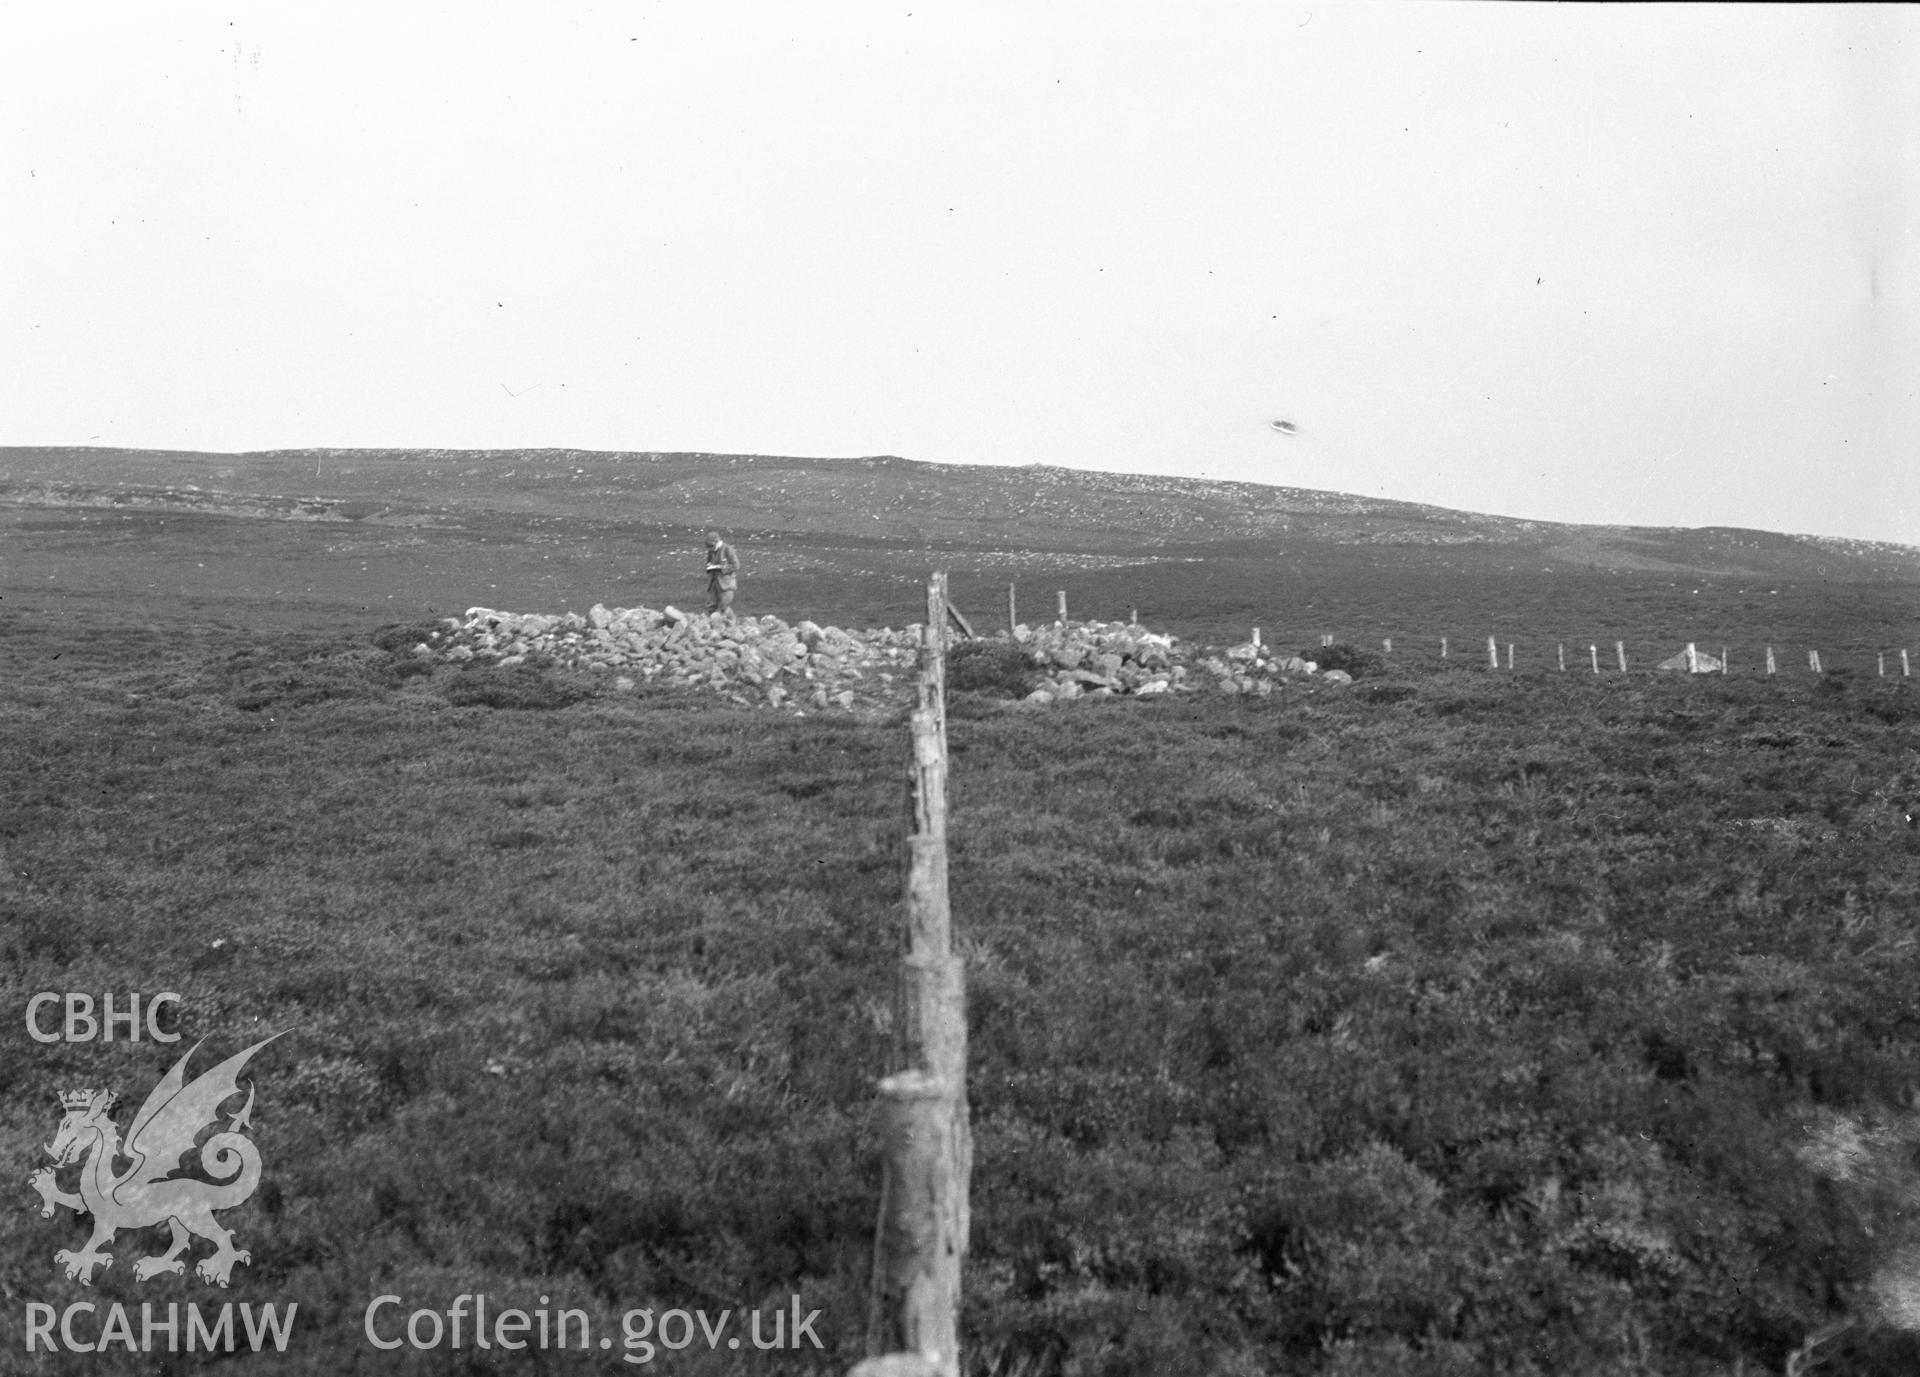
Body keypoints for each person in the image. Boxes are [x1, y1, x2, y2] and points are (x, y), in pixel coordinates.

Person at [703, 531, 740, 617]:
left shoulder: (728, 549)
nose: (710, 549)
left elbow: (736, 566)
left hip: (726, 584)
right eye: (708, 547)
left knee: (724, 605)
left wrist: (722, 568)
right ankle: (708, 622)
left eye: (711, 546)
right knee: (710, 604)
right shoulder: (711, 551)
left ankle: (728, 624)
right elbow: (708, 563)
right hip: (714, 583)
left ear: (717, 542)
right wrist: (709, 566)